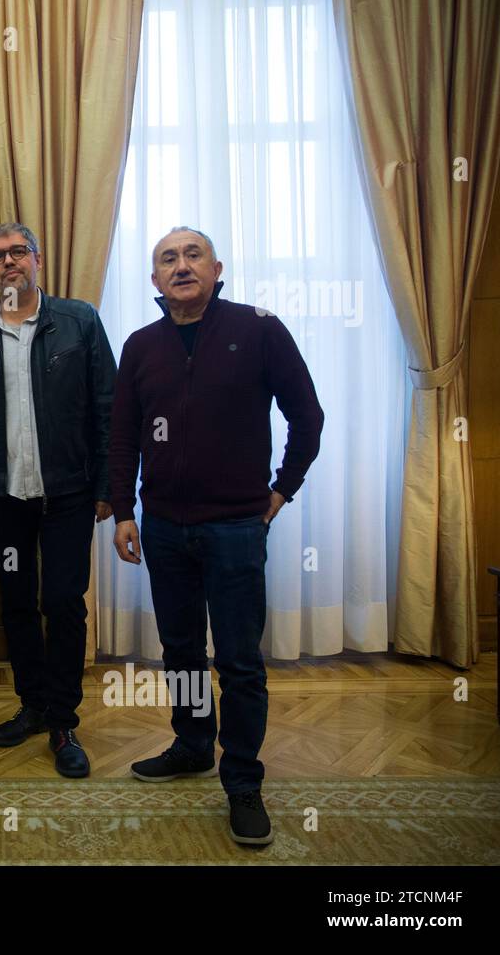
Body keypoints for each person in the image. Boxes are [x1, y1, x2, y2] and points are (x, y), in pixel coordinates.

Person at [109, 226, 324, 845]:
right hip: (163, 527)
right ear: (155, 280)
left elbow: (306, 416)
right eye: (168, 259)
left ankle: (243, 781)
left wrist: (282, 490)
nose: (181, 265)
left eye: (192, 254)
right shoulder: (141, 345)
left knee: (238, 660)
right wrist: (123, 509)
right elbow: (122, 437)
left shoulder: (258, 328)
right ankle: (193, 744)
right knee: (179, 650)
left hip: (235, 524)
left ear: (217, 267)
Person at [0, 223, 117, 778]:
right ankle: (32, 704)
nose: (8, 263)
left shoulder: (78, 321)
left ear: (36, 259)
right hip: (3, 498)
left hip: (68, 494)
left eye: (18, 252)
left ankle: (65, 719)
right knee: (17, 601)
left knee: (65, 602)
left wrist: (106, 487)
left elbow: (106, 408)